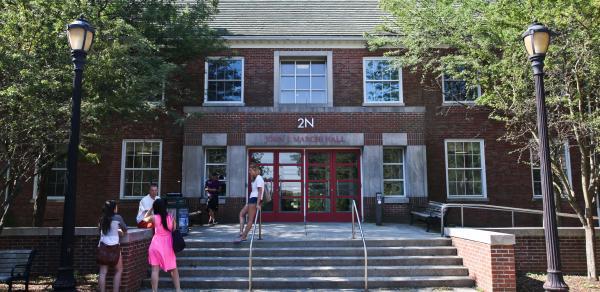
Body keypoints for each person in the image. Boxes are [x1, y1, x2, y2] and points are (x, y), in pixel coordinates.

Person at [144, 198, 181, 292]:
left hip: (156, 245)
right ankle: (178, 289)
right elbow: (174, 230)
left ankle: (154, 291)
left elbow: (144, 219)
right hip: (168, 245)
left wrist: (151, 209)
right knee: (173, 268)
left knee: (155, 270)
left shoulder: (154, 217)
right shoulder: (171, 217)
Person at [97, 200, 127, 292]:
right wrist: (119, 231)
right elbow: (125, 230)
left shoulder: (102, 219)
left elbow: (101, 231)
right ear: (114, 208)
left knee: (102, 272)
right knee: (119, 270)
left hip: (103, 247)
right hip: (115, 248)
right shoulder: (118, 218)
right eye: (116, 207)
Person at [235, 164, 264, 243]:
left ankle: (244, 236)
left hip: (254, 200)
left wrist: (258, 204)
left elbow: (260, 191)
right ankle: (241, 232)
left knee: (250, 220)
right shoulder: (254, 179)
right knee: (241, 214)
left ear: (255, 170)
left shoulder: (259, 178)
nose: (249, 172)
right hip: (251, 199)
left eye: (250, 170)